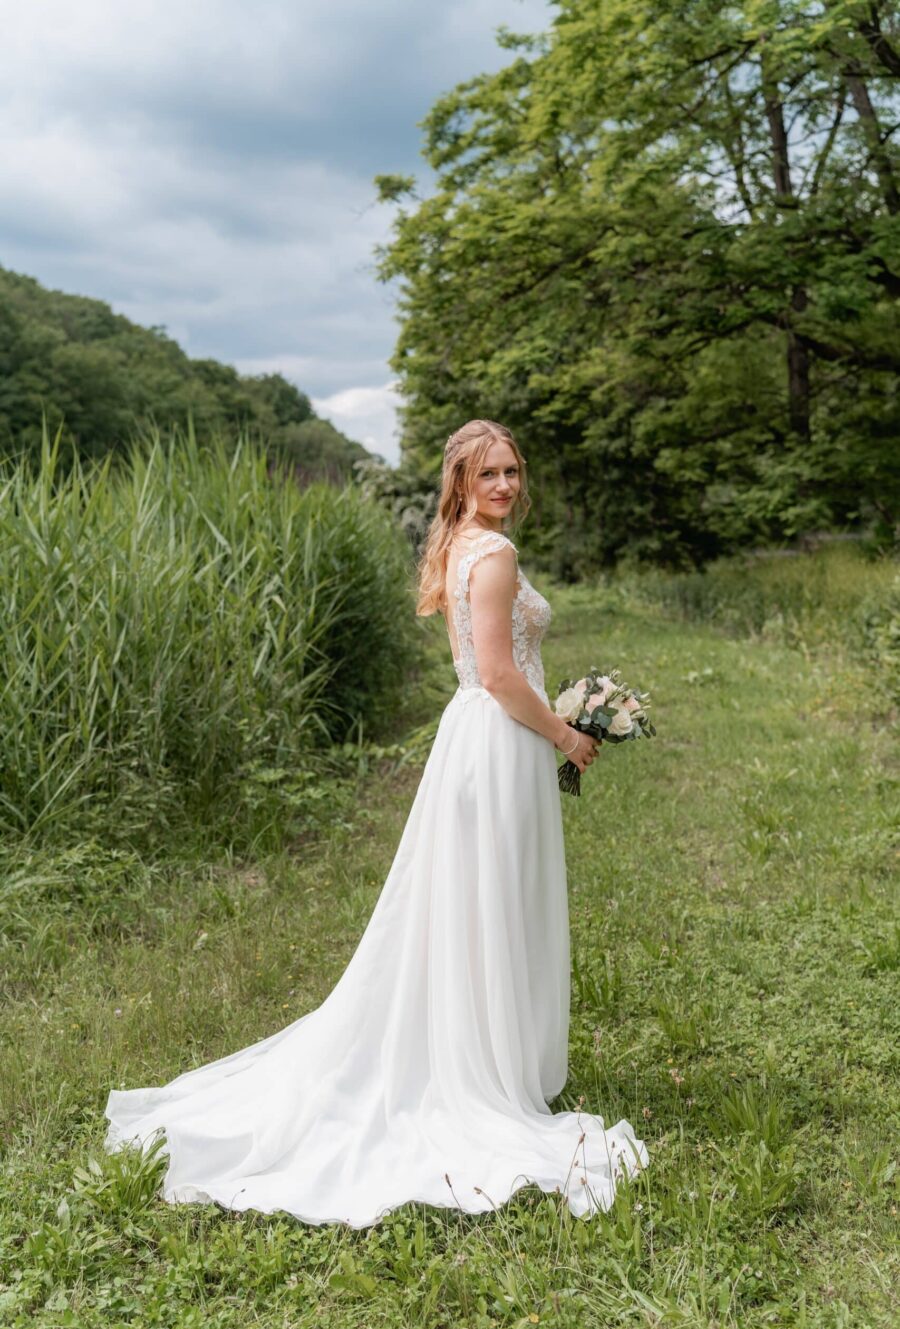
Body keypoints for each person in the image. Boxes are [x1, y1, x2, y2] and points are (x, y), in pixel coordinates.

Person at [104, 418, 647, 1226]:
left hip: (477, 736)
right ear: (463, 481)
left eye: (514, 471)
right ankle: (484, 1072)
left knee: (473, 901)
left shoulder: (460, 542)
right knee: (490, 900)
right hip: (497, 736)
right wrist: (567, 731)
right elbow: (499, 673)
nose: (507, 485)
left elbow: (491, 671)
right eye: (491, 473)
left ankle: (485, 1049)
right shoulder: (493, 554)